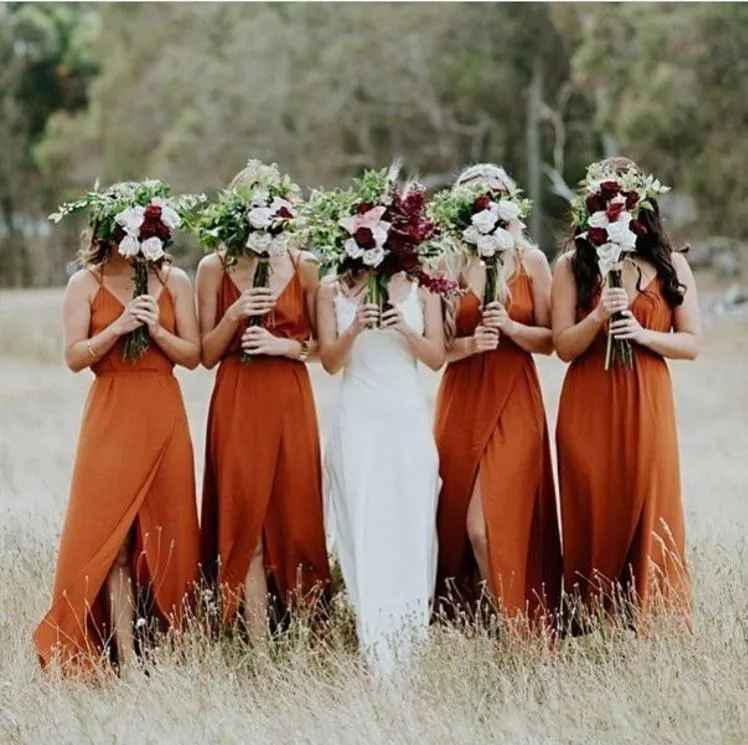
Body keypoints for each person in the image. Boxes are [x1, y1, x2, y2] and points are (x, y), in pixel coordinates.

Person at [34, 182, 201, 673]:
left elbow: (192, 356)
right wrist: (119, 326)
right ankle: (124, 656)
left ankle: (179, 644)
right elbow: (73, 358)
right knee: (114, 540)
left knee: (170, 530)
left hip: (163, 409)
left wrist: (157, 331)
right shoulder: (83, 284)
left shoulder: (177, 280)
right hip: (110, 414)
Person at [552, 157, 700, 632]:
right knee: (597, 507)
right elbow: (562, 348)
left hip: (649, 401)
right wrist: (597, 318)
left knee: (651, 502)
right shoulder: (572, 266)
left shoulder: (671, 264)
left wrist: (642, 334)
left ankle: (653, 623)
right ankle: (594, 621)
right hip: (589, 405)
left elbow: (692, 343)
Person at [196, 163, 330, 649]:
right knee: (244, 519)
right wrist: (234, 314)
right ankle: (256, 644)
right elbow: (205, 355)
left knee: (295, 518)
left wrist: (285, 348)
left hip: (291, 398)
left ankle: (305, 634)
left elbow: (323, 347)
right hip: (237, 398)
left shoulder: (306, 265)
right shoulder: (214, 266)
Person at [434, 163, 562, 629]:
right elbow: (435, 348)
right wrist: (469, 344)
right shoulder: (445, 264)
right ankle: (488, 623)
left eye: (492, 196)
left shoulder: (531, 261)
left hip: (514, 395)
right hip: (462, 398)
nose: (483, 206)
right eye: (474, 199)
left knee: (486, 526)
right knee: (459, 524)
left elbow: (551, 339)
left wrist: (510, 327)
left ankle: (519, 632)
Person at [318, 266, 444, 675]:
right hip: (358, 419)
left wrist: (406, 329)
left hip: (405, 417)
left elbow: (436, 359)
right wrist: (354, 327)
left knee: (411, 523)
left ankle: (411, 641)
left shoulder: (424, 285)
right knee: (363, 527)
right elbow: (330, 363)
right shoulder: (329, 288)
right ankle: (373, 642)